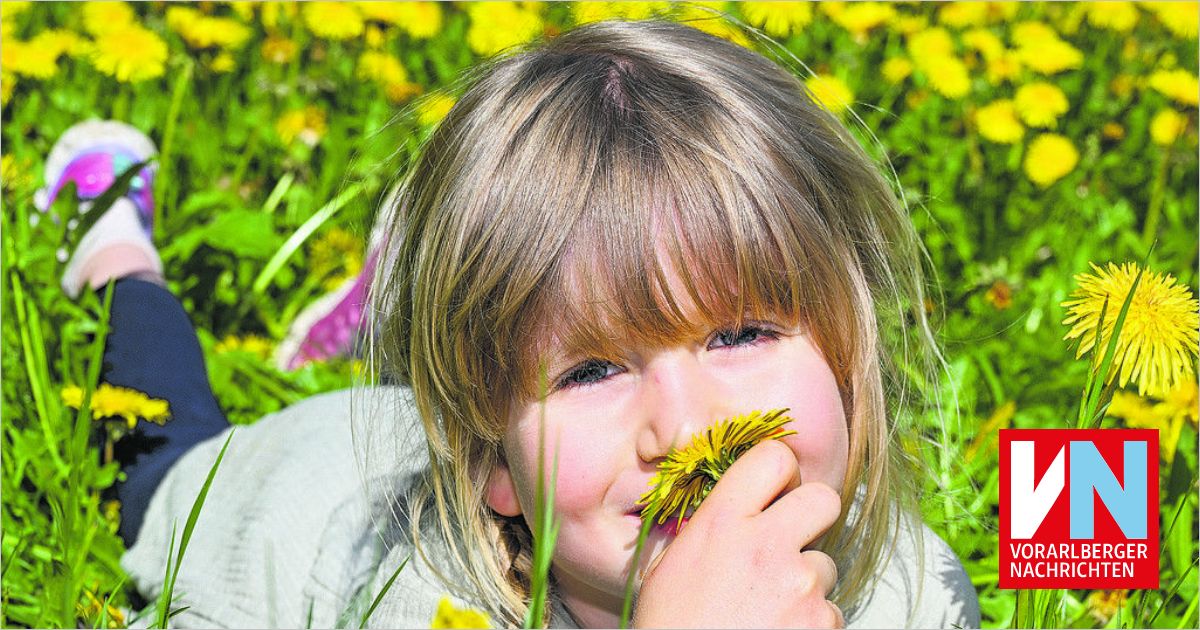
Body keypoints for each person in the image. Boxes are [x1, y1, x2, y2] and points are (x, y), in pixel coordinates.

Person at [48, 19, 980, 629]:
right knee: (158, 436)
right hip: (261, 487)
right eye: (591, 370)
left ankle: (447, 305)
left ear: (851, 358)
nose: (690, 426)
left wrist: (1107, 539)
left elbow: (1102, 531)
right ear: (489, 464)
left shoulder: (913, 584)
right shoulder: (414, 608)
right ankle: (116, 248)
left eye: (740, 335)